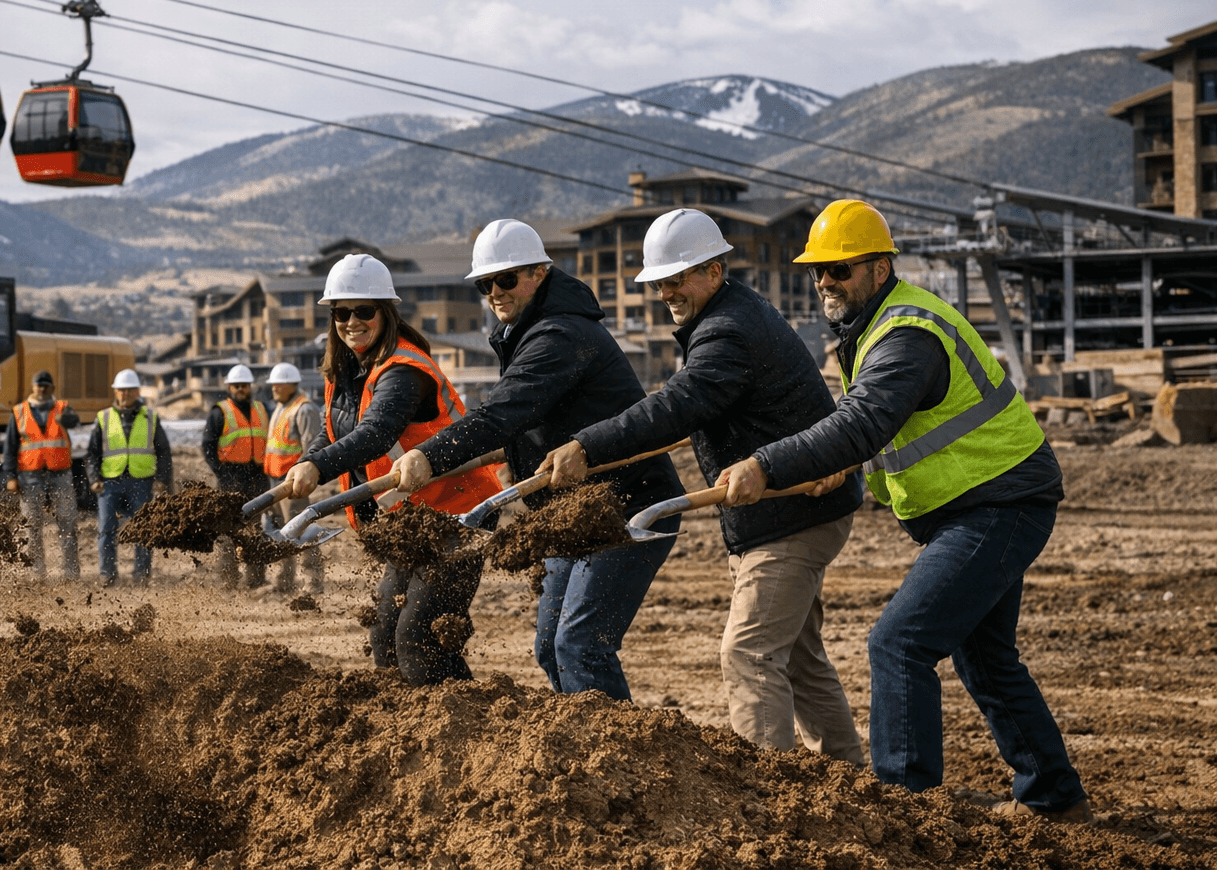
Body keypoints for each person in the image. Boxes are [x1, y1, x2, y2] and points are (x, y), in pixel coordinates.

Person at [715, 199, 1090, 822]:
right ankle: (1055, 798)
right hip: (976, 505)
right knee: (986, 658)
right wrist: (847, 461)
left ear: (880, 267)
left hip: (998, 503)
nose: (825, 282)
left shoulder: (906, 333)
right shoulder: (873, 330)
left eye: (841, 269)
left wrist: (768, 465)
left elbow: (862, 421)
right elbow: (884, 426)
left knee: (899, 642)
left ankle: (904, 807)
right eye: (819, 272)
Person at [547, 208, 866, 763]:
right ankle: (854, 779)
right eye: (661, 282)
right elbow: (691, 409)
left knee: (750, 654)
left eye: (678, 278)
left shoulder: (726, 331)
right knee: (796, 657)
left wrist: (587, 446)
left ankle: (768, 797)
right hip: (786, 510)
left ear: (715, 271)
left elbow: (677, 405)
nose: (667, 291)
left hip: (793, 512)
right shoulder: (727, 315)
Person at [391, 219, 684, 702]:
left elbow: (503, 411)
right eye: (486, 284)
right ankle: (584, 748)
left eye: (507, 279)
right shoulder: (526, 331)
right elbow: (526, 419)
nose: (495, 292)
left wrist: (429, 454)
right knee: (551, 647)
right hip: (573, 509)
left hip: (628, 506)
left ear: (540, 273)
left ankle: (620, 757)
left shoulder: (558, 335)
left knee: (580, 646)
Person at [281, 254, 504, 685]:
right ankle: (403, 726)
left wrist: (320, 468)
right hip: (412, 519)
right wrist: (309, 460)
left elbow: (376, 433)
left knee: (419, 636)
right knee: (385, 634)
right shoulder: (346, 370)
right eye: (342, 313)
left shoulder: (403, 370)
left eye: (364, 311)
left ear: (386, 313)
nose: (352, 322)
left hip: (458, 512)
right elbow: (333, 430)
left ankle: (465, 726)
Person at [86, 368, 172, 586]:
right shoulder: (103, 417)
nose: (125, 395)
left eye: (129, 391)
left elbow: (163, 450)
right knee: (106, 529)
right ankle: (107, 575)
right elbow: (92, 453)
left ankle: (141, 575)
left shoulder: (150, 417)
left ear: (137, 393)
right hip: (110, 482)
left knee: (144, 529)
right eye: (121, 391)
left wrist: (162, 478)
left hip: (141, 481)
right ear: (116, 393)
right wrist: (94, 477)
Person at [2, 370, 81, 580]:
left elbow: (75, 420)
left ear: (52, 388)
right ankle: (37, 574)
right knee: (32, 525)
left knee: (67, 523)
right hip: (30, 476)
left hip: (60, 474)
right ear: (33, 387)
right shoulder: (19, 412)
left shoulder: (62, 409)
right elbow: (10, 447)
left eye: (46, 385)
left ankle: (71, 574)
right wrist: (11, 476)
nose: (42, 388)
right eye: (39, 385)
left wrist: (69, 418)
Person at [203, 363, 271, 589]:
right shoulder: (219, 412)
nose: (241, 389)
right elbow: (208, 446)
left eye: (244, 385)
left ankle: (256, 579)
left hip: (257, 478)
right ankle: (228, 580)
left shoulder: (263, 409)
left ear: (250, 386)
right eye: (236, 386)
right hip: (230, 478)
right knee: (228, 532)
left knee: (255, 530)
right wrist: (221, 474)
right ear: (230, 388)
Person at [263, 362, 325, 594]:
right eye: (273, 384)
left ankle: (313, 583)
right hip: (275, 481)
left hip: (292, 485)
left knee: (302, 531)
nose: (274, 388)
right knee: (280, 534)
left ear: (292, 384)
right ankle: (284, 582)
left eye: (280, 384)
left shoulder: (304, 409)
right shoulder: (280, 408)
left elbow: (312, 449)